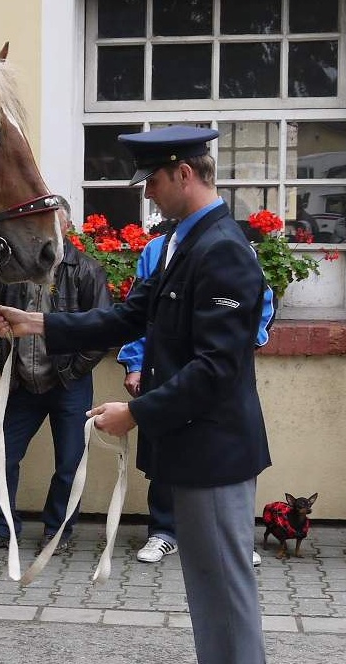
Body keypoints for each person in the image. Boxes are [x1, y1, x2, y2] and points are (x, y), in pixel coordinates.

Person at [0, 126, 274, 664]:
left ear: (182, 173)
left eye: (151, 179)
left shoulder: (222, 249)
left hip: (214, 447)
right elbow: (126, 317)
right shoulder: (181, 242)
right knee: (216, 581)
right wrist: (36, 322)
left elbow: (216, 368)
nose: (146, 193)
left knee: (220, 584)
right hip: (197, 443)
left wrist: (136, 411)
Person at [119, 226, 275, 568]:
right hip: (165, 371)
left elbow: (261, 301)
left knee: (221, 456)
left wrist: (247, 341)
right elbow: (136, 312)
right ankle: (164, 531)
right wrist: (134, 364)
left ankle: (231, 536)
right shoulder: (156, 250)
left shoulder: (231, 247)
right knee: (165, 453)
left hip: (211, 375)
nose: (149, 194)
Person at [0, 198, 112, 554]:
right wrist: (4, 355)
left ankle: (58, 530)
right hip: (23, 383)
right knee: (0, 453)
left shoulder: (86, 270)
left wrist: (72, 370)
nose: (46, 231)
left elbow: (101, 331)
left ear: (67, 227)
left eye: (54, 222)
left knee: (70, 462)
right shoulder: (12, 270)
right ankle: (1, 527)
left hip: (69, 383)